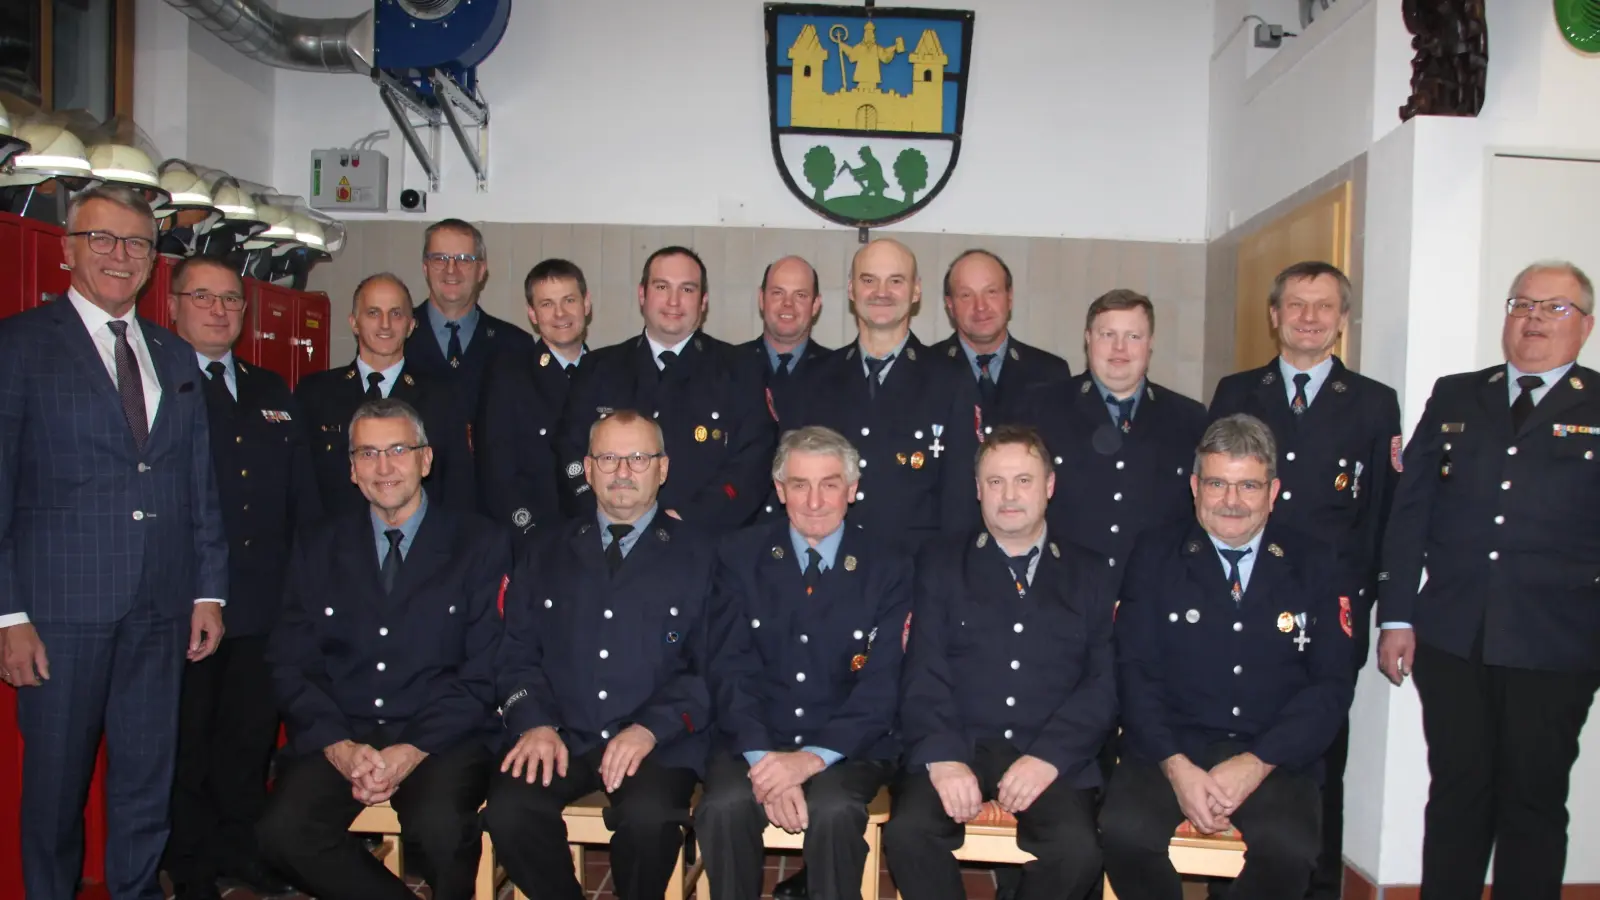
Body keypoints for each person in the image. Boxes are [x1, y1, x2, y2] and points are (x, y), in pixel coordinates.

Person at [0, 184, 228, 900]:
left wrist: (208, 590)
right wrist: (8, 616)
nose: (119, 256)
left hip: (159, 609)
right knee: (56, 793)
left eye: (136, 244)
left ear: (154, 260)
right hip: (59, 615)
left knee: (143, 785)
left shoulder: (174, 355)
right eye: (102, 239)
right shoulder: (20, 346)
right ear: (68, 249)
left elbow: (199, 486)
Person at [1376, 260, 1600, 900]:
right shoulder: (1456, 394)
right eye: (1522, 305)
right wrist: (1396, 615)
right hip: (1453, 637)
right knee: (1456, 792)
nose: (1533, 319)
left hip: (1556, 646)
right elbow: (1410, 511)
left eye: (1553, 308)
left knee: (1533, 798)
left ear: (1584, 325)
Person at [257, 398, 509, 900]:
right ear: (351, 470)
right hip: (345, 728)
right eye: (368, 454)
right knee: (280, 832)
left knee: (440, 828)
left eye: (398, 449)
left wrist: (410, 750)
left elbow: (486, 669)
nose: (384, 467)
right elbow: (290, 662)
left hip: (442, 733)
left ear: (426, 459)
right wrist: (341, 748)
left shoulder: (480, 543)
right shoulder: (318, 545)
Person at [1206, 261, 1401, 897]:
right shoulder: (1237, 391)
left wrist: (1379, 608)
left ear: (1343, 321)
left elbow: (1382, 520)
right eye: (1296, 304)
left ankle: (1317, 888)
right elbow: (1212, 502)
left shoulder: (1373, 403)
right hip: (1238, 602)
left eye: (1324, 307)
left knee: (1321, 759)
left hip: (1326, 612)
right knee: (1227, 739)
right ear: (1275, 315)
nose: (1309, 317)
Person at [1101, 414, 1353, 900]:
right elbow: (1133, 672)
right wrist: (1177, 768)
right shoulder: (1155, 555)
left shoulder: (1317, 561)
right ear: (1195, 486)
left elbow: (1331, 685)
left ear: (1273, 490)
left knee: (1290, 850)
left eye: (1248, 486)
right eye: (1217, 483)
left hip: (1272, 752)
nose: (1232, 501)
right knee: (1123, 832)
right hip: (1171, 746)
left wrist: (1256, 764)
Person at [486, 410, 715, 900]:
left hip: (659, 738)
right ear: (588, 470)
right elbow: (515, 651)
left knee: (650, 819)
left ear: (663, 468)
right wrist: (534, 722)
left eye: (638, 457)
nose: (623, 471)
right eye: (609, 458)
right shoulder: (544, 550)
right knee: (509, 810)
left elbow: (713, 664)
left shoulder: (703, 556)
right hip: (563, 730)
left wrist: (651, 727)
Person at [883, 425, 1115, 900]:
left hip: (1049, 750)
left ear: (1049, 486)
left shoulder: (1091, 572)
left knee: (1078, 851)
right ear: (977, 490)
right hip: (960, 740)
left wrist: (1049, 758)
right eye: (995, 482)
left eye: (1024, 480)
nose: (1009, 496)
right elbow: (922, 668)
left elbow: (1104, 682)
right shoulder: (940, 563)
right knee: (908, 834)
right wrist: (943, 757)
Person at [162, 256, 321, 900]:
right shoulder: (160, 385)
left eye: (231, 300)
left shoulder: (268, 390)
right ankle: (190, 865)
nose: (220, 311)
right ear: (172, 305)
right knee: (186, 742)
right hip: (185, 602)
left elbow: (301, 500)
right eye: (204, 297)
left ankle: (243, 855)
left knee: (249, 741)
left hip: (263, 603)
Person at [698, 426, 910, 900]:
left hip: (848, 746)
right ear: (779, 490)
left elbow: (883, 686)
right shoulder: (737, 556)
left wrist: (809, 761)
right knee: (725, 805)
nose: (814, 501)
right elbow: (727, 667)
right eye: (799, 484)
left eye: (830, 484)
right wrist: (766, 762)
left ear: (852, 490)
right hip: (755, 737)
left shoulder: (889, 566)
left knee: (835, 811)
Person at [556, 246, 776, 530]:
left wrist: (687, 520)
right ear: (642, 295)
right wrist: (608, 520)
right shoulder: (598, 368)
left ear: (703, 301)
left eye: (687, 289)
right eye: (662, 287)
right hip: (608, 542)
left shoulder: (741, 371)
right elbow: (570, 455)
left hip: (704, 545)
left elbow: (752, 467)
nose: (674, 301)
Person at [786, 238, 981, 553]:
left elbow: (960, 503)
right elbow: (790, 486)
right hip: (828, 571)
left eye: (896, 281)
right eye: (868, 280)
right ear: (851, 289)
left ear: (916, 290)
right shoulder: (813, 379)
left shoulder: (951, 381)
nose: (881, 292)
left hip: (913, 575)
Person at [1015, 288, 1206, 570]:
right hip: (1063, 588)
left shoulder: (1188, 418)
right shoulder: (1041, 409)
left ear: (1150, 343)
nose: (1120, 349)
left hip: (1153, 592)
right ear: (1088, 339)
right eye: (1108, 335)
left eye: (1133, 337)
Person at [295, 272, 474, 514]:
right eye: (373, 313)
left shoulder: (443, 396)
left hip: (418, 545)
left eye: (396, 314)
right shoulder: (314, 394)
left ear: (410, 326)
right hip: (335, 545)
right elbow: (301, 486)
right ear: (354, 322)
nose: (385, 324)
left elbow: (457, 488)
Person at [475, 258, 591, 531]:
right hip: (535, 537)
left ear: (586, 304)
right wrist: (529, 531)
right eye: (547, 304)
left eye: (569, 301)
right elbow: (497, 474)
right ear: (532, 314)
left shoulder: (609, 373)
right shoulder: (508, 379)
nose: (560, 314)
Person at [403, 218, 537, 416]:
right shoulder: (396, 336)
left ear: (481, 271)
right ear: (425, 267)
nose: (451, 269)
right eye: (440, 259)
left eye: (464, 259)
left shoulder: (515, 345)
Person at [931, 249, 1071, 431]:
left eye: (991, 292)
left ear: (1009, 298)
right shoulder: (926, 370)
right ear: (950, 305)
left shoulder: (1050, 373)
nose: (980, 307)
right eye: (966, 295)